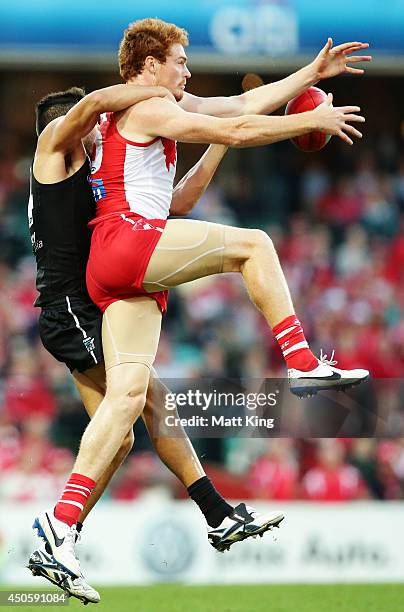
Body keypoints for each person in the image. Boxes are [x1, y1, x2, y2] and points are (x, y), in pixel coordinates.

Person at [34, 18, 371, 581]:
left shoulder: (156, 113)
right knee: (254, 243)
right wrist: (308, 120)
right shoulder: (140, 109)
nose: (187, 70)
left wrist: (309, 73)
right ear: (149, 65)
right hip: (122, 248)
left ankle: (61, 527)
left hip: (115, 275)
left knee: (131, 404)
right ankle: (302, 363)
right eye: (180, 60)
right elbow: (234, 125)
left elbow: (239, 109)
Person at [28, 84, 283, 602]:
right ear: (74, 125)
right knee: (136, 399)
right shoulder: (54, 150)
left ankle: (207, 515)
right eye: (95, 127)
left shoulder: (96, 178)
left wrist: (219, 143)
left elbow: (179, 202)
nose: (105, 130)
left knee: (128, 428)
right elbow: (96, 105)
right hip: (71, 310)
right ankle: (60, 528)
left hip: (84, 308)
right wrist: (155, 89)